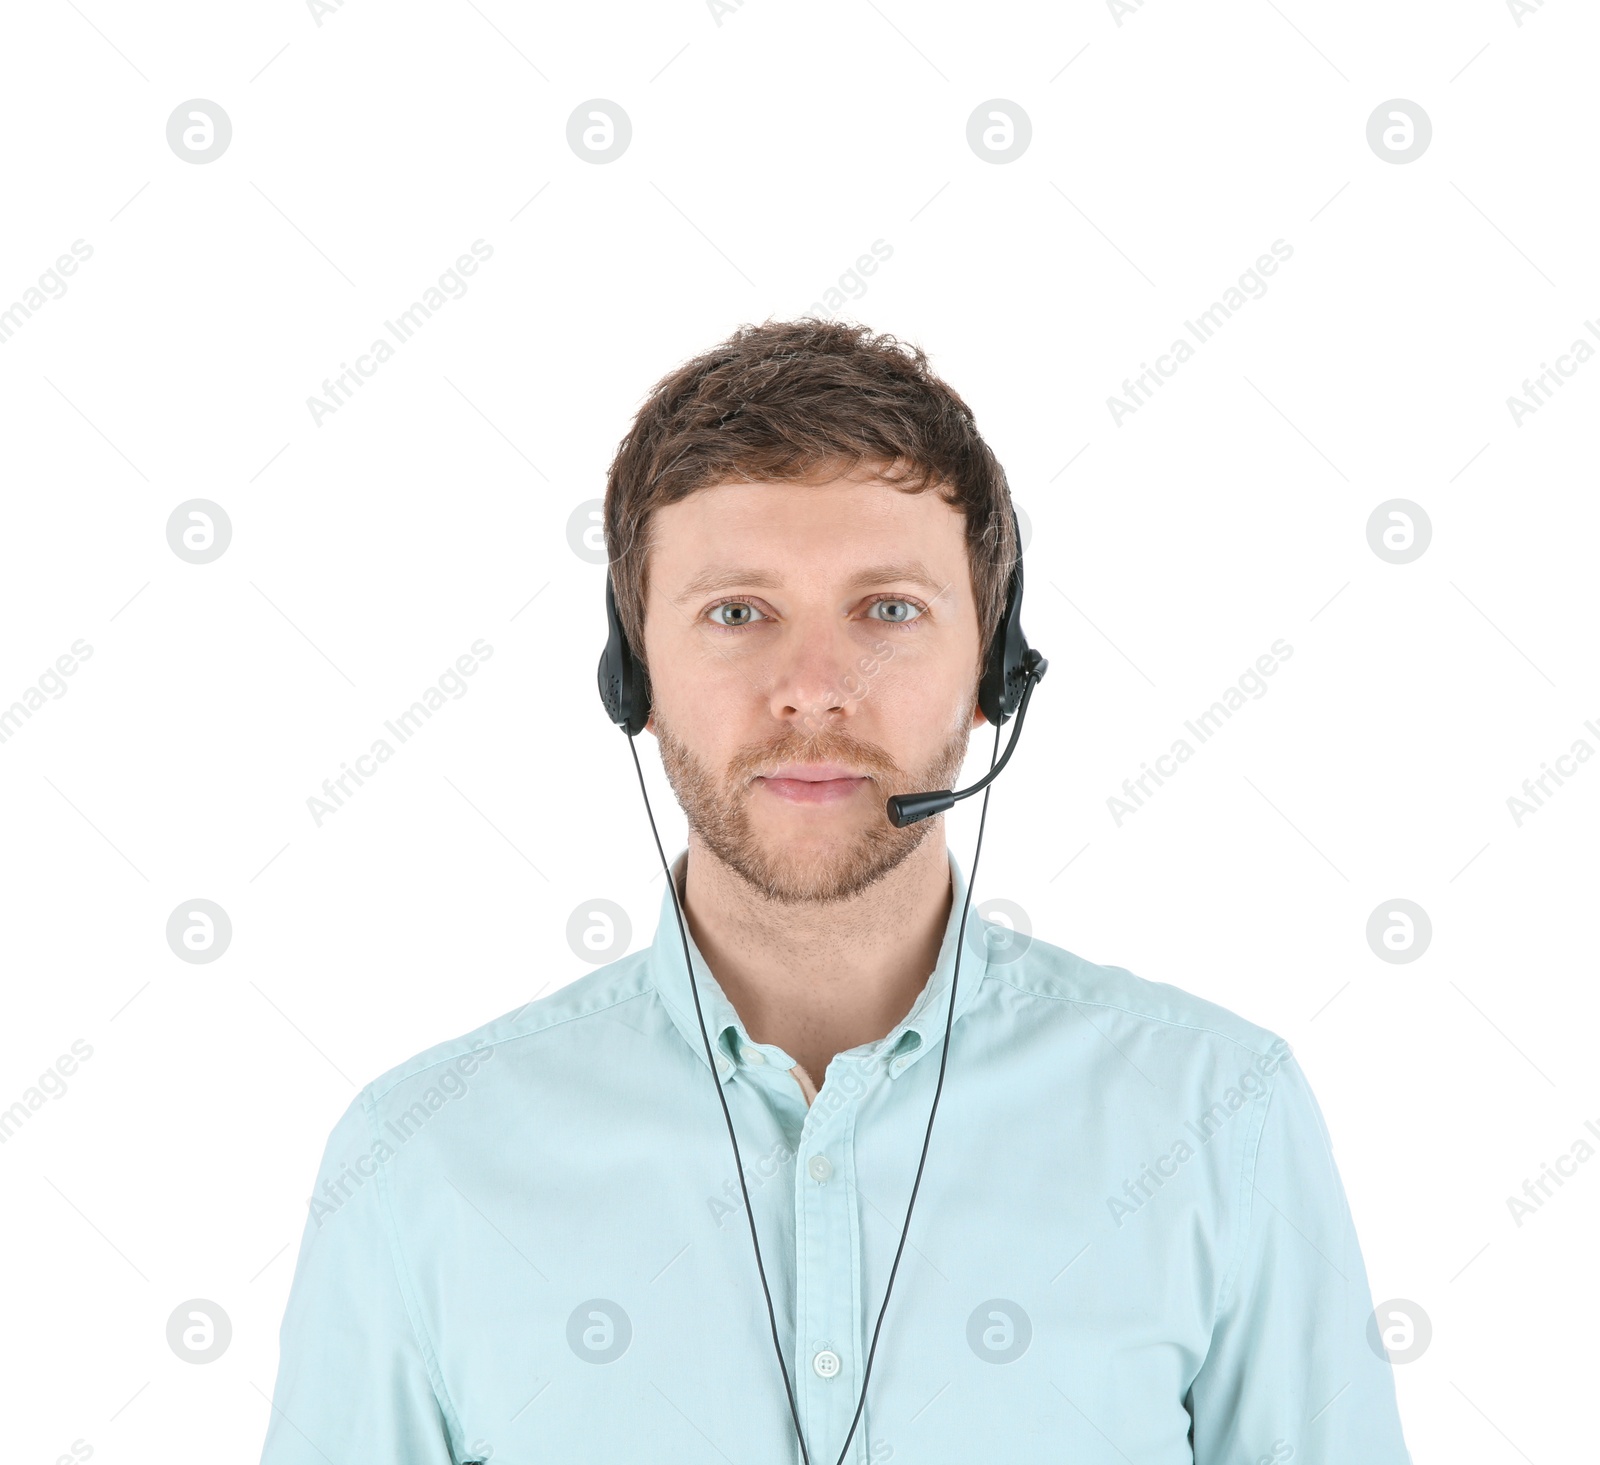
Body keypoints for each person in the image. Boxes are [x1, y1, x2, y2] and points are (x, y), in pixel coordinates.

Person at [258, 319, 1412, 1464]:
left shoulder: (1220, 1117)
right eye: (738, 612)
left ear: (993, 673)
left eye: (888, 610)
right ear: (633, 674)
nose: (814, 693)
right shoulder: (421, 1161)